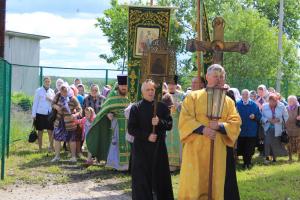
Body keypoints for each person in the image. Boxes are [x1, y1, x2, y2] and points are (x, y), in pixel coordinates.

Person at [178, 64, 241, 200]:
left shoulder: (228, 101)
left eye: (221, 76)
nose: (218, 79)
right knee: (195, 183)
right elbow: (185, 119)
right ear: (207, 77)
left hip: (218, 151)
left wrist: (220, 126)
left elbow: (235, 122)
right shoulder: (193, 97)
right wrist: (203, 129)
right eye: (215, 76)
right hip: (196, 150)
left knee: (216, 184)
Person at [128, 79, 174, 200]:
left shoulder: (162, 107)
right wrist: (147, 136)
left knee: (160, 178)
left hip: (158, 148)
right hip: (141, 149)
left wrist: (159, 122)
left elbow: (169, 125)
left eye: (152, 89)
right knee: (142, 179)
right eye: (147, 89)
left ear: (155, 91)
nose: (150, 92)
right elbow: (131, 129)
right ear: (142, 92)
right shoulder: (136, 108)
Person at [86, 75, 131, 170]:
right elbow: (104, 109)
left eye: (126, 85)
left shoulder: (131, 96)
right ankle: (116, 165)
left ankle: (129, 165)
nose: (124, 87)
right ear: (118, 86)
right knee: (117, 143)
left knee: (129, 143)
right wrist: (108, 113)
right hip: (117, 123)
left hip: (130, 124)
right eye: (122, 85)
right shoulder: (113, 96)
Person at [51, 82, 82, 162]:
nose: (63, 93)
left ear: (68, 90)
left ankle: (73, 157)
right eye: (61, 91)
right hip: (59, 121)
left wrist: (75, 115)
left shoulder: (73, 98)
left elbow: (80, 109)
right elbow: (52, 103)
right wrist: (56, 106)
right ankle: (57, 156)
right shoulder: (58, 95)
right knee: (57, 139)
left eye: (65, 91)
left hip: (69, 122)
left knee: (71, 139)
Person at [236, 89, 262, 169]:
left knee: (250, 148)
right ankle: (245, 162)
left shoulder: (254, 105)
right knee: (242, 147)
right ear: (241, 95)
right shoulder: (237, 104)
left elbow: (259, 116)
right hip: (241, 131)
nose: (245, 96)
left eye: (247, 95)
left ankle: (248, 162)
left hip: (251, 131)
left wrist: (254, 117)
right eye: (243, 94)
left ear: (249, 96)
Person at [261, 93, 288, 164]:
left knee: (275, 143)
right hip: (267, 127)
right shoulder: (264, 106)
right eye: (270, 101)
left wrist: (279, 120)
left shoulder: (282, 106)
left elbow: (286, 116)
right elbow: (261, 117)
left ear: (277, 101)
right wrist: (267, 120)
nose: (271, 103)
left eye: (273, 101)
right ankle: (267, 158)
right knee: (267, 142)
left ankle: (274, 158)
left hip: (277, 127)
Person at [32, 77, 55, 151]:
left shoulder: (52, 91)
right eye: (46, 81)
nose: (47, 83)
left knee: (50, 131)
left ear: (50, 82)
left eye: (48, 81)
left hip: (49, 114)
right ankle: (40, 148)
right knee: (40, 131)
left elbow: (54, 103)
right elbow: (35, 103)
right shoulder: (38, 91)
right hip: (40, 113)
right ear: (43, 82)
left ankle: (51, 147)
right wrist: (34, 114)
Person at [166, 75, 184, 170]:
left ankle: (180, 164)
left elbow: (187, 111)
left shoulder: (182, 95)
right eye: (169, 84)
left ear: (176, 85)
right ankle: (169, 164)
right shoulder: (164, 95)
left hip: (178, 124)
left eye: (173, 84)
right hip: (167, 123)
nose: (171, 86)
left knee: (179, 143)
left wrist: (180, 106)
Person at [286, 95, 300, 162]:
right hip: (288, 130)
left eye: (292, 100)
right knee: (289, 145)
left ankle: (299, 158)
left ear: (295, 101)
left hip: (297, 130)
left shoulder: (299, 108)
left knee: (298, 145)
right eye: (289, 100)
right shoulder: (286, 108)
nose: (291, 102)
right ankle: (290, 157)